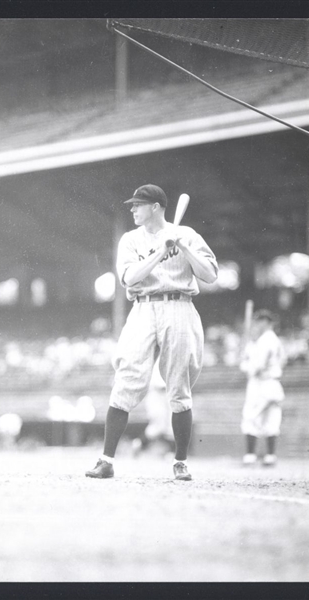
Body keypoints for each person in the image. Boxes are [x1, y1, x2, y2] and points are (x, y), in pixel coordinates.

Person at [85, 184, 218, 480]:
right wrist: (160, 252)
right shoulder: (131, 239)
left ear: (155, 207)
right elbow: (129, 278)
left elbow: (210, 275)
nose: (132, 209)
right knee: (126, 378)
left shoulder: (188, 234)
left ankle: (180, 462)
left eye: (138, 205)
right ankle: (106, 460)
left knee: (179, 386)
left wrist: (180, 245)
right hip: (144, 308)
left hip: (179, 306)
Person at [239, 309, 286, 467]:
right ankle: (270, 456)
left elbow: (257, 366)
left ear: (265, 322)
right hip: (274, 382)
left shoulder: (265, 340)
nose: (257, 325)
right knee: (271, 419)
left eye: (259, 321)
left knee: (251, 416)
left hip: (261, 382)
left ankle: (250, 456)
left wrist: (245, 364)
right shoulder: (274, 340)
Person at [131, 359, 176, 457]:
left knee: (172, 425)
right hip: (155, 393)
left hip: (170, 394)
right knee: (158, 425)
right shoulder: (154, 355)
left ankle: (171, 453)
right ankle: (139, 443)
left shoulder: (173, 355)